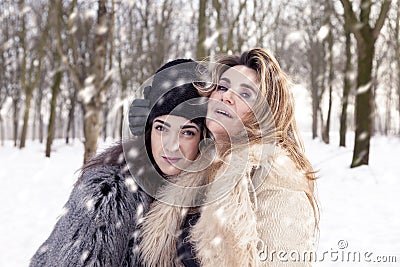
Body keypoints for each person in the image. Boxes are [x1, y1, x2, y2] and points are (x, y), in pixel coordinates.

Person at [137, 48, 319, 266]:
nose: (227, 96)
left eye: (245, 94)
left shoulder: (277, 181)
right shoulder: (201, 169)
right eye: (222, 87)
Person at [29, 59, 208, 267]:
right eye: (161, 128)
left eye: (187, 132)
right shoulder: (108, 192)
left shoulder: (205, 196)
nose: (171, 146)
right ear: (147, 130)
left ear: (203, 138)